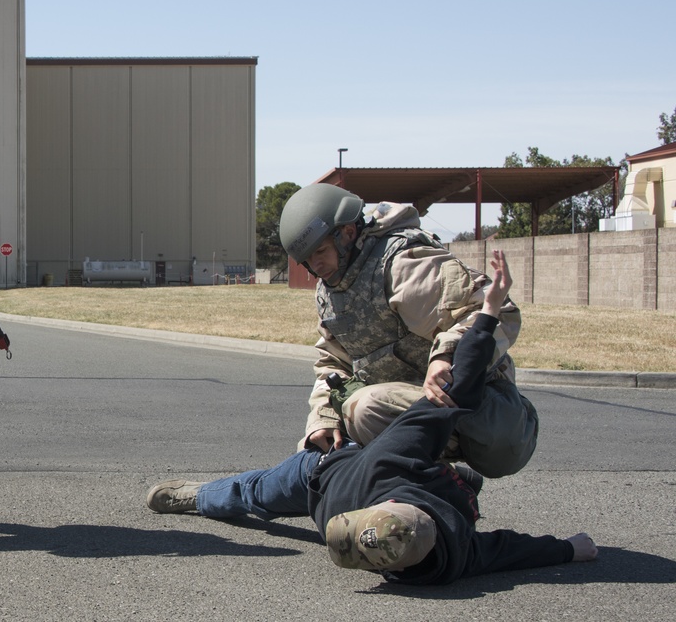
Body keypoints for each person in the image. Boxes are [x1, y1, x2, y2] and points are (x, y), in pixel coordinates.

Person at [149, 252, 597, 584]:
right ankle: (459, 474)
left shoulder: (397, 470)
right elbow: (513, 551)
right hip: (353, 489)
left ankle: (200, 495)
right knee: (259, 491)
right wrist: (489, 312)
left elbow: (457, 393)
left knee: (252, 492)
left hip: (324, 472)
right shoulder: (451, 551)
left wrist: (488, 312)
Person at [279, 183, 538, 480]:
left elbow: (496, 312)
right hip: (413, 404)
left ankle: (440, 488)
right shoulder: (332, 289)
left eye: (321, 251)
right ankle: (438, 483)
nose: (316, 265)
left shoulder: (403, 265)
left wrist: (445, 355)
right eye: (308, 259)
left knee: (365, 409)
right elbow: (333, 364)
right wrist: (323, 418)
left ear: (347, 233)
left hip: (482, 411)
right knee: (314, 457)